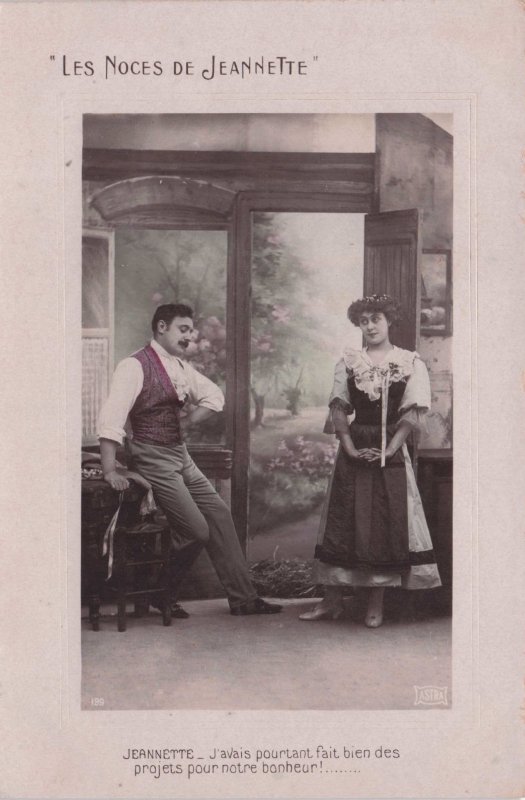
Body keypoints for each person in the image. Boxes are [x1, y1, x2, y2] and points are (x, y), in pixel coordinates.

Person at [97, 303, 282, 617]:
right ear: (161, 327)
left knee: (219, 515)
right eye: (183, 329)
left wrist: (188, 421)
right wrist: (109, 468)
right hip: (151, 457)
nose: (189, 337)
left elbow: (215, 397)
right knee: (196, 531)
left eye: (191, 331)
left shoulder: (180, 367)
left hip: (180, 455)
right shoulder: (133, 366)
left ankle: (244, 599)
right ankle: (160, 592)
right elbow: (111, 419)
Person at [299, 294, 441, 627]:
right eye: (363, 321)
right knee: (344, 518)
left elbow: (411, 416)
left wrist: (389, 451)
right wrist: (349, 448)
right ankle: (332, 600)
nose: (370, 326)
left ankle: (376, 602)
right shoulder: (349, 362)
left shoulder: (410, 362)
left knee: (383, 519)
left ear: (389, 320)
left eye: (376, 319)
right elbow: (338, 409)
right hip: (356, 446)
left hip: (390, 450)